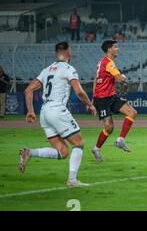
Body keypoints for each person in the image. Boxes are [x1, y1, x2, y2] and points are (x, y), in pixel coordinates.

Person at [18, 41, 96, 187]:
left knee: (63, 151)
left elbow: (28, 90)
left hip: (44, 112)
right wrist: (90, 104)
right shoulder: (68, 69)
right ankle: (72, 180)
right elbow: (79, 91)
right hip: (57, 110)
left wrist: (30, 110)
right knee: (78, 144)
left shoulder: (46, 70)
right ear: (68, 51)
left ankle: (28, 153)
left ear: (56, 53)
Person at [92, 40, 138, 161]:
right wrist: (123, 78)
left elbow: (96, 79)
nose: (118, 49)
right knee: (109, 128)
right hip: (101, 99)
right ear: (109, 49)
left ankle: (120, 140)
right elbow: (119, 78)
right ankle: (96, 149)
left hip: (111, 96)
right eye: (115, 47)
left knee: (132, 112)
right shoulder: (108, 63)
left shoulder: (103, 62)